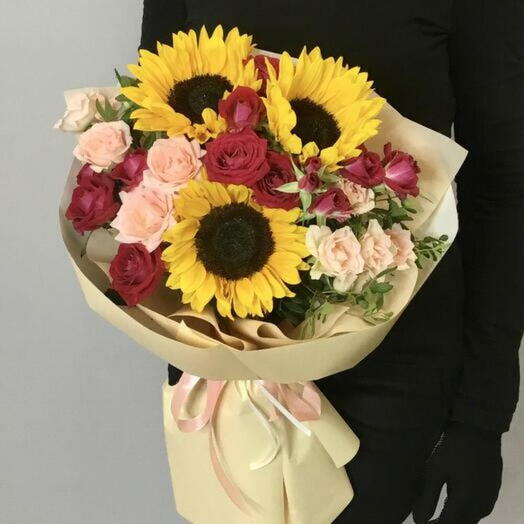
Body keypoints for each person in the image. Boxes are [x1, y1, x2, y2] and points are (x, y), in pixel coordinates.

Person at [140, 1, 524, 523]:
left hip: (392, 366)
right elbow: (153, 145)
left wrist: (481, 416)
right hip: (225, 361)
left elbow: (503, 187)